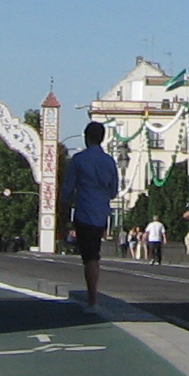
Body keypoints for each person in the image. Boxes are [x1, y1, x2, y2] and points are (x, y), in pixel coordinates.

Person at [62, 121, 120, 309]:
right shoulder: (109, 162)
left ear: (86, 138)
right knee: (93, 253)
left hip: (84, 211)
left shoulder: (79, 159)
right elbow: (114, 190)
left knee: (89, 256)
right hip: (101, 213)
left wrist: (64, 206)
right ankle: (92, 296)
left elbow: (68, 188)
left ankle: (92, 298)